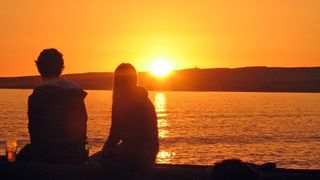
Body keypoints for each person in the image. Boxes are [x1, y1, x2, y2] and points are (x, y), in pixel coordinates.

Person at [16, 48, 88, 164]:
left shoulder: (38, 96)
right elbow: (83, 124)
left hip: (50, 155)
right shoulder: (76, 92)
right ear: (61, 68)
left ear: (39, 68)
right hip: (77, 154)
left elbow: (35, 133)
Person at [92, 63, 159, 171]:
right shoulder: (145, 99)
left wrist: (104, 152)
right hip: (150, 155)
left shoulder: (123, 100)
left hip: (133, 155)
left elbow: (114, 135)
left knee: (91, 162)